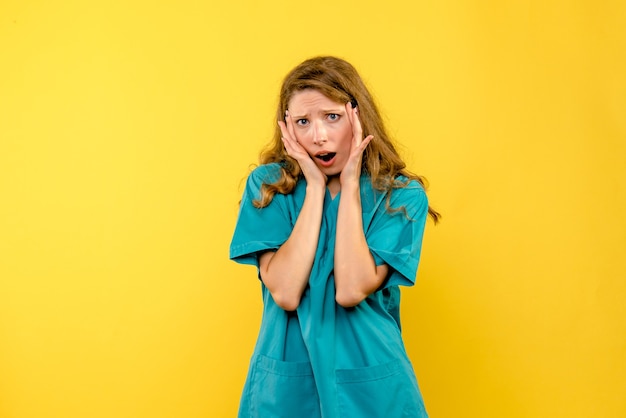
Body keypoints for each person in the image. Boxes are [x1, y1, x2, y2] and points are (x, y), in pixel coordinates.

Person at [229, 56, 439, 418]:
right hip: (286, 383)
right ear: (287, 129)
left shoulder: (401, 198)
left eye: (332, 117)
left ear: (358, 118)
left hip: (372, 384)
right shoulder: (269, 187)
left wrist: (353, 188)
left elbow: (351, 289)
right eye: (303, 122)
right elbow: (285, 291)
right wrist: (313, 188)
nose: (319, 136)